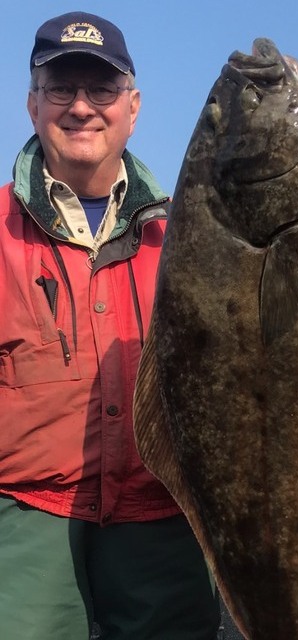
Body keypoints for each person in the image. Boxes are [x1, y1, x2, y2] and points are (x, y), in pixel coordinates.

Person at [0, 11, 220, 640]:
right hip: (24, 519)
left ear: (134, 105)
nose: (80, 108)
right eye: (61, 88)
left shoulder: (194, 232)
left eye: (101, 90)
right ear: (32, 103)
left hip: (164, 517)